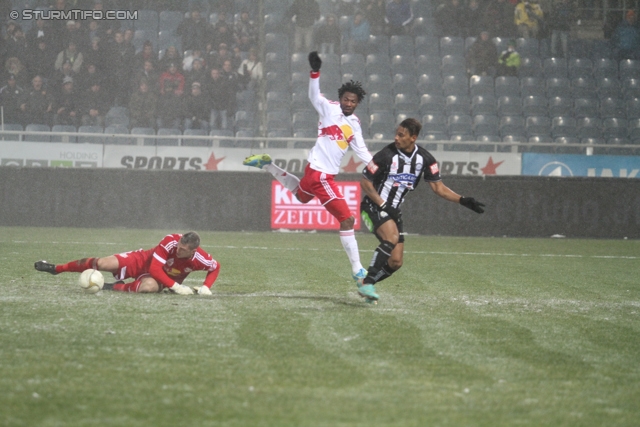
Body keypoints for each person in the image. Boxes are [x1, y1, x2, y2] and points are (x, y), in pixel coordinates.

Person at [243, 51, 375, 298]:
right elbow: (314, 96)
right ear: (341, 98)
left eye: (353, 101)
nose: (348, 103)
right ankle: (359, 272)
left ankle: (269, 165)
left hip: (315, 172)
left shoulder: (354, 124)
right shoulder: (329, 109)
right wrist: (315, 73)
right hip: (321, 176)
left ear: (358, 102)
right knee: (347, 221)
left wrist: (378, 167)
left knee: (302, 198)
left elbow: (362, 151)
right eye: (346, 99)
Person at [358, 118, 485, 302]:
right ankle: (368, 283)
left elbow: (438, 188)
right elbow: (365, 182)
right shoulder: (385, 155)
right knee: (391, 237)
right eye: (396, 133)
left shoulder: (425, 159)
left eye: (401, 135)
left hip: (394, 210)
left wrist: (463, 200)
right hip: (373, 205)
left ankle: (364, 282)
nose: (396, 138)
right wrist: (383, 204)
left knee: (395, 262)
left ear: (413, 138)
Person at [34, 232, 220, 295]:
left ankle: (113, 287)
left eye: (182, 250)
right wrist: (177, 287)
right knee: (102, 263)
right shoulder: (170, 240)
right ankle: (57, 269)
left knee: (147, 287)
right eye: (178, 246)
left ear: (192, 251)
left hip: (162, 278)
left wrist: (206, 287)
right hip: (144, 261)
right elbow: (155, 267)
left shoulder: (200, 258)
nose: (178, 249)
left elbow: (215, 267)